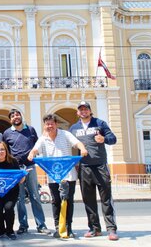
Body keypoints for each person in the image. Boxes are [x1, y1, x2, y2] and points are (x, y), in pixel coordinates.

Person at [28, 114, 88, 238]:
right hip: (53, 176)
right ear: (44, 126)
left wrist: (82, 149)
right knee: (56, 201)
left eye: (51, 123)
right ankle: (58, 227)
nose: (49, 126)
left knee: (68, 201)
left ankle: (68, 227)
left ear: (56, 124)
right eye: (47, 124)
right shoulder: (43, 139)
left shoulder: (65, 134)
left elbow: (77, 143)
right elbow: (35, 149)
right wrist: (31, 154)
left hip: (68, 175)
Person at [69, 101, 119, 241]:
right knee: (88, 200)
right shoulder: (73, 128)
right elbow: (67, 143)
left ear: (90, 111)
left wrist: (104, 139)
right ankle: (94, 228)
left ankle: (111, 229)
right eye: (81, 109)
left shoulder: (100, 123)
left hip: (100, 166)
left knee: (106, 199)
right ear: (78, 113)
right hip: (84, 168)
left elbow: (113, 139)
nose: (83, 111)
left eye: (86, 109)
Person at [2, 108, 48, 234]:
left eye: (17, 115)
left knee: (35, 196)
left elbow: (37, 145)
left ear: (21, 116)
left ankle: (41, 225)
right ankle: (23, 225)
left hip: (31, 167)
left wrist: (35, 154)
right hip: (16, 170)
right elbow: (6, 151)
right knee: (19, 198)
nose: (15, 117)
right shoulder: (7, 133)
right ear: (10, 120)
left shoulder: (31, 129)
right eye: (12, 116)